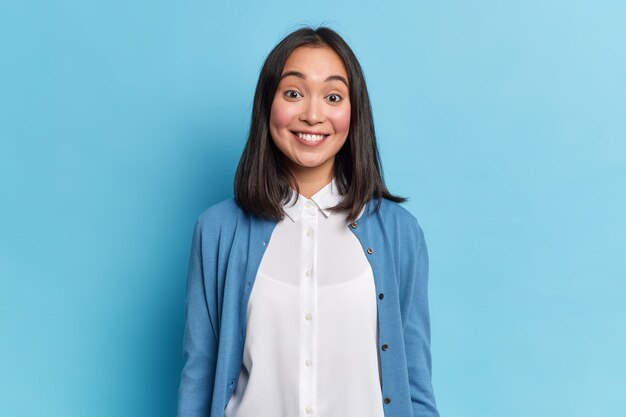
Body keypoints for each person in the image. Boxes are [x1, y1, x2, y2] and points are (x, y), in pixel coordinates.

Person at [177, 25, 440, 417]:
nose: (313, 115)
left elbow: (415, 382)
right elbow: (199, 378)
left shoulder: (400, 234)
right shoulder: (217, 231)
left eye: (333, 96)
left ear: (354, 114)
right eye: (294, 93)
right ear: (269, 104)